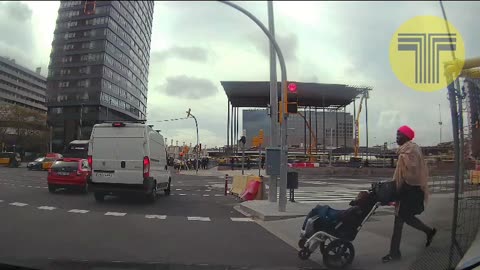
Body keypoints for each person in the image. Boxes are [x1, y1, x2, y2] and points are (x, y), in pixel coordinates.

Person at [382, 125, 437, 263]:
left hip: (410, 191)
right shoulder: (405, 150)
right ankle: (428, 232)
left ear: (406, 136)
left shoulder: (411, 149)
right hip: (406, 190)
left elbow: (413, 172)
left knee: (400, 220)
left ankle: (394, 253)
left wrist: (399, 190)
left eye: (399, 134)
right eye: (396, 134)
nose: (396, 137)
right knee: (403, 219)